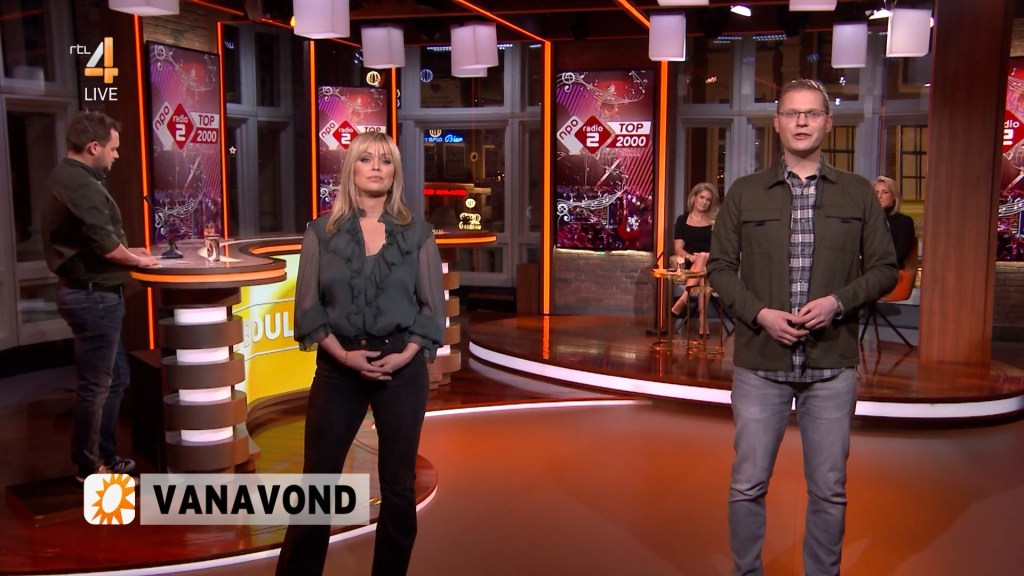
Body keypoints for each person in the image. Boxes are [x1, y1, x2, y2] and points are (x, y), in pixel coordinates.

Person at [706, 79, 898, 576]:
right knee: (747, 484)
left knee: (829, 490)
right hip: (760, 364)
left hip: (831, 365)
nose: (802, 121)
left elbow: (885, 269)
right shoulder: (745, 192)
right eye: (792, 113)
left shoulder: (858, 192)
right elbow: (720, 269)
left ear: (828, 122)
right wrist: (760, 314)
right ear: (777, 123)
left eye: (812, 113)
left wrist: (838, 302)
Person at [276, 131, 445, 576]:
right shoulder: (321, 232)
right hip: (339, 369)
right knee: (317, 482)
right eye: (366, 159)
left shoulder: (418, 234)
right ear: (351, 169)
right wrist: (342, 355)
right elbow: (308, 308)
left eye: (385, 161)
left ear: (395, 172)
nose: (376, 167)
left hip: (401, 369)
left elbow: (431, 308)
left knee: (398, 485)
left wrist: (407, 354)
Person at [43, 111, 159, 482]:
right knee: (95, 386)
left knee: (116, 379)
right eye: (113, 148)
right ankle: (90, 467)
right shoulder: (79, 183)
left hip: (93, 295)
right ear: (94, 147)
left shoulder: (72, 177)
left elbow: (99, 242)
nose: (117, 155)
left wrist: (132, 252)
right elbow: (107, 246)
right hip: (93, 298)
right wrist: (140, 260)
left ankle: (105, 456)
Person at [670, 182, 719, 335]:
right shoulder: (682, 220)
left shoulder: (714, 221)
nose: (704, 202)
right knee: (702, 270)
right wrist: (691, 257)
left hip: (711, 261)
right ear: (694, 198)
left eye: (708, 199)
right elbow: (678, 248)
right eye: (702, 197)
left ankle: (684, 297)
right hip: (690, 263)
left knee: (703, 256)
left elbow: (719, 247)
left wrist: (703, 257)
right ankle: (703, 320)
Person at [873, 176, 917, 269]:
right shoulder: (868, 220)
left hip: (890, 270)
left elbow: (899, 255)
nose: (879, 196)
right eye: (876, 192)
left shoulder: (904, 222)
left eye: (885, 192)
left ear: (894, 196)